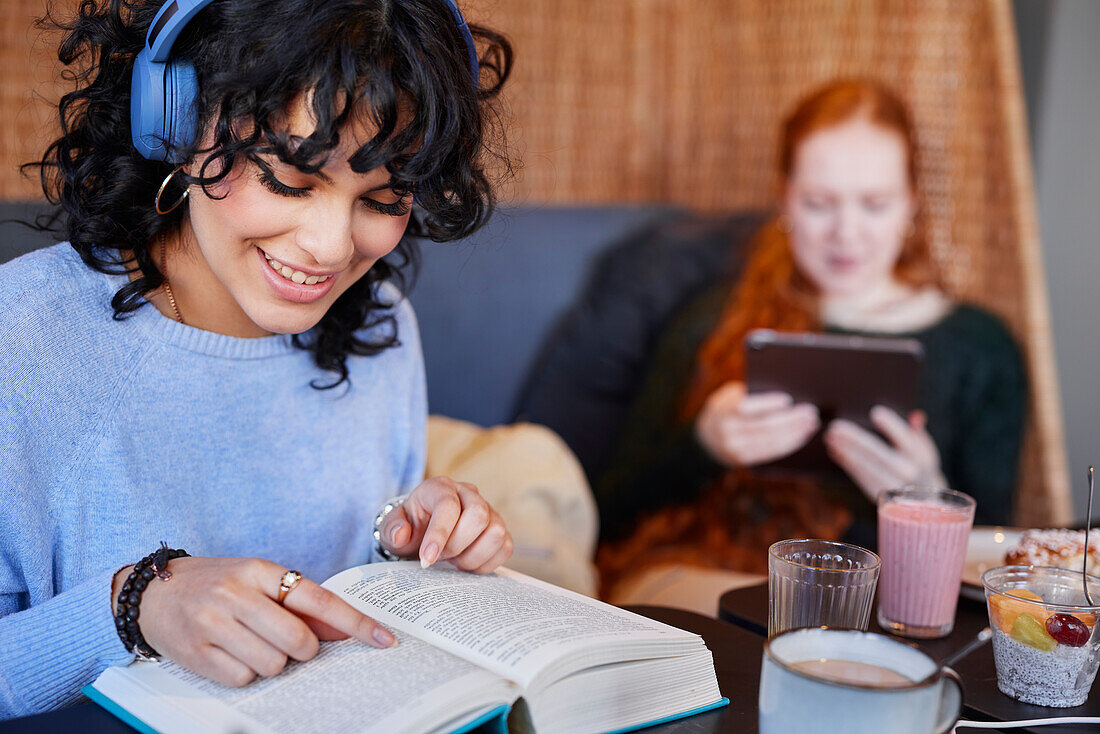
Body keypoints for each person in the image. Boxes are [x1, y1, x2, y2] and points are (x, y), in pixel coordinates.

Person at [0, 0, 514, 718]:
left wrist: (408, 537)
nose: (332, 247)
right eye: (287, 180)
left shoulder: (384, 325)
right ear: (174, 121)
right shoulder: (19, 338)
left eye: (384, 198)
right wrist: (130, 605)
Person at [595, 80, 1026, 603]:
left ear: (912, 202)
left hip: (883, 605)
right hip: (714, 581)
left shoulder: (981, 348)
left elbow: (998, 566)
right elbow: (608, 510)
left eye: (874, 204)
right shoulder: (716, 318)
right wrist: (703, 444)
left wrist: (929, 498)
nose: (846, 234)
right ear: (785, 200)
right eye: (820, 204)